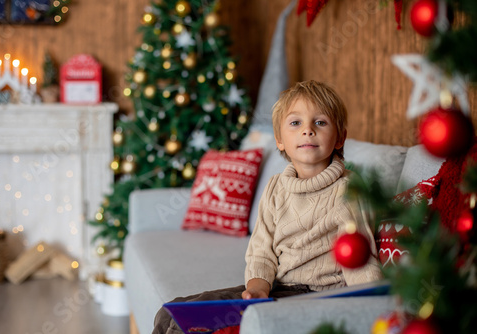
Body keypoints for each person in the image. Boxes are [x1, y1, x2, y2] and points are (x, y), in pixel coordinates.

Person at [153, 80, 382, 334]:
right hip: (275, 290)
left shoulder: (348, 190)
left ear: (340, 138)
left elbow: (360, 259)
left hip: (316, 298)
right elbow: (262, 251)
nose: (308, 130)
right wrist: (257, 287)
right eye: (296, 123)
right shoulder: (275, 187)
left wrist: (372, 311)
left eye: (320, 122)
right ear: (280, 140)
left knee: (187, 329)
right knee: (169, 313)